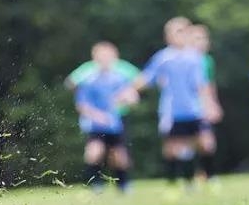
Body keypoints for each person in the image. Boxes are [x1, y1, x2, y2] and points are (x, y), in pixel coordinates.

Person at [124, 18, 221, 187]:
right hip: (172, 111)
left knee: (206, 143)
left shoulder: (195, 58)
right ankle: (175, 183)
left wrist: (210, 104)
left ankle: (207, 178)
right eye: (175, 32)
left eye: (183, 31)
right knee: (174, 149)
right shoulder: (163, 58)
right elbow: (146, 78)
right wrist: (129, 91)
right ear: (167, 36)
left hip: (194, 109)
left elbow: (202, 85)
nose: (179, 36)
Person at [73, 42, 133, 193]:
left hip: (115, 124)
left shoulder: (119, 78)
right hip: (95, 124)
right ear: (95, 58)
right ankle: (95, 184)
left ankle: (123, 185)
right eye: (102, 56)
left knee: (119, 156)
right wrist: (97, 116)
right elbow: (81, 105)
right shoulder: (89, 80)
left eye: (108, 56)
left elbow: (131, 96)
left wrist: (129, 98)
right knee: (94, 152)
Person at [188, 24, 220, 182]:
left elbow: (209, 85)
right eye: (196, 39)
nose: (201, 42)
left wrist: (214, 104)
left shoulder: (207, 61)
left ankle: (209, 175)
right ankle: (191, 176)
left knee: (207, 142)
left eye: (203, 39)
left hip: (203, 107)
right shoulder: (185, 61)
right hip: (188, 108)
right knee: (188, 144)